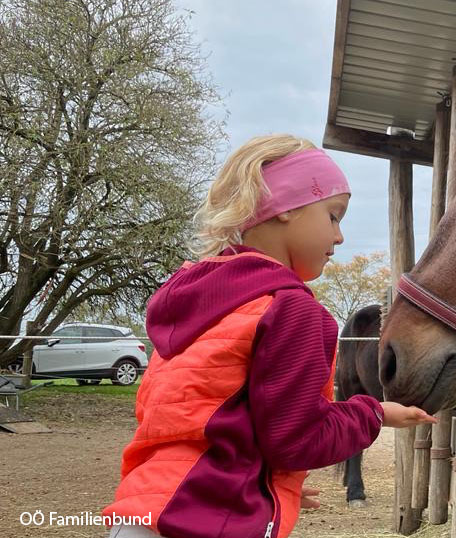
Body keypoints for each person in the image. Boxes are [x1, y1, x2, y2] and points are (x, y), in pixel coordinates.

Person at [102, 134, 436, 538]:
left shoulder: (201, 300)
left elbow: (208, 420)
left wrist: (266, 484)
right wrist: (376, 414)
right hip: (205, 520)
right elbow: (295, 439)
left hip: (145, 508)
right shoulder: (289, 307)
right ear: (286, 209)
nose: (339, 237)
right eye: (333, 215)